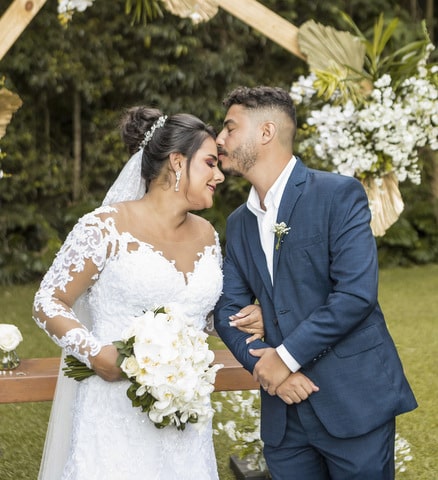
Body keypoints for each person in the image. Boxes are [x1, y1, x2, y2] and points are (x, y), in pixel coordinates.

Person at [32, 106, 264, 480]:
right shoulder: (105, 226)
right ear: (176, 162)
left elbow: (202, 315)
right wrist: (96, 354)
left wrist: (243, 319)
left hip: (185, 412)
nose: (219, 176)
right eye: (209, 163)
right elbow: (48, 301)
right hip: (114, 408)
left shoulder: (206, 233)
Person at [214, 86, 417, 480]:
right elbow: (227, 310)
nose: (220, 139)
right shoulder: (239, 222)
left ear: (266, 132)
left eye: (230, 128)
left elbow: (355, 296)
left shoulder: (338, 194)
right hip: (284, 418)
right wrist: (269, 367)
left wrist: (284, 358)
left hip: (352, 399)